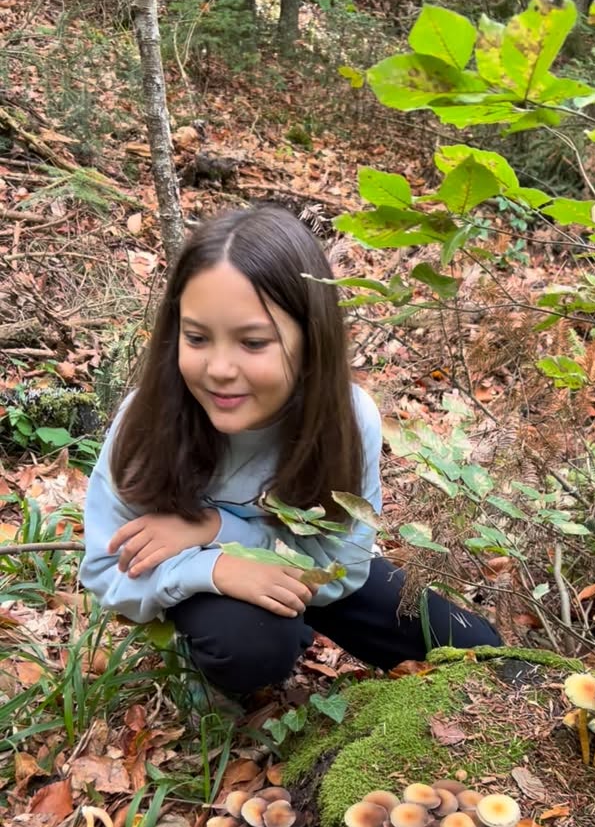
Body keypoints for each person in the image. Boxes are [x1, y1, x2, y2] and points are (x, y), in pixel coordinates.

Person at [80, 205, 500, 697]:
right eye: (196, 337)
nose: (218, 368)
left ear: (309, 340)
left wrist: (217, 529)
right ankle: (221, 659)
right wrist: (212, 566)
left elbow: (346, 562)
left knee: (477, 647)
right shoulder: (147, 419)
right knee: (254, 644)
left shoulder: (346, 417)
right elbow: (105, 569)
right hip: (199, 584)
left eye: (253, 342)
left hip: (313, 564)